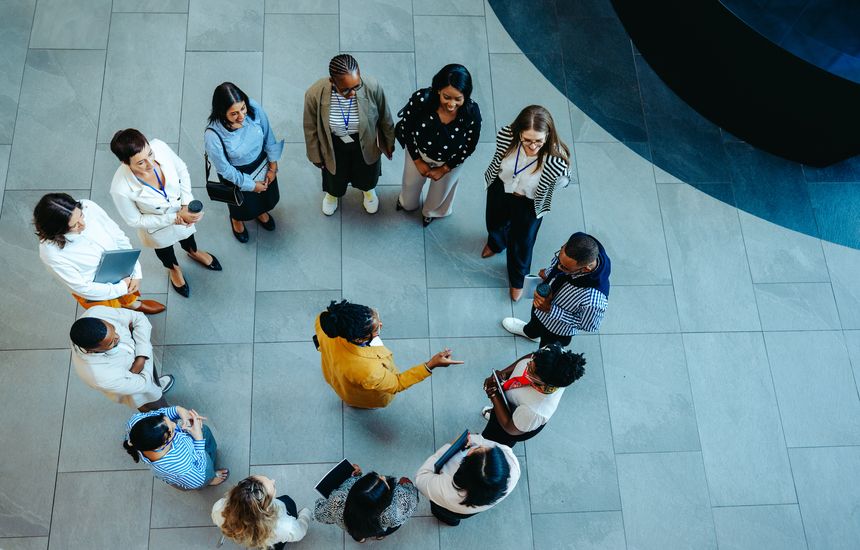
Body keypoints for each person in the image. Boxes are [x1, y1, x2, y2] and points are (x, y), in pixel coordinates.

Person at [109, 128, 221, 298]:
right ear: (126, 163)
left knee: (188, 237)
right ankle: (173, 269)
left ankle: (193, 252)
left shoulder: (160, 147)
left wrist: (185, 204)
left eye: (150, 154)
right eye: (140, 163)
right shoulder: (120, 188)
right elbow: (135, 220)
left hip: (182, 211)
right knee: (165, 251)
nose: (150, 164)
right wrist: (174, 218)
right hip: (157, 227)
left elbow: (182, 169)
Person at [482, 106, 572, 301]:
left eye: (539, 141)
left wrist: (538, 190)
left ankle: (517, 279)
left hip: (529, 202)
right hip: (501, 189)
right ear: (518, 133)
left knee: (522, 243)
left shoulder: (556, 160)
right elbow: (498, 159)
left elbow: (561, 183)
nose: (532, 146)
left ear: (548, 135)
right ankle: (496, 243)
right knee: (494, 221)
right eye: (527, 140)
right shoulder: (506, 135)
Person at [315, 300, 464, 408]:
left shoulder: (326, 321)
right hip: (358, 394)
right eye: (376, 329)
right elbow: (397, 383)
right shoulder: (369, 371)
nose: (381, 325)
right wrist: (431, 364)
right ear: (359, 338)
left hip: (334, 373)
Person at [35, 193, 165, 314]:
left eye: (81, 215)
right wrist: (121, 287)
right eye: (74, 225)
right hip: (94, 289)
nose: (83, 224)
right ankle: (122, 318)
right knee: (110, 313)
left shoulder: (88, 207)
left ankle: (132, 304)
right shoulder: (50, 253)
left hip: (119, 269)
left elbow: (118, 236)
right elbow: (82, 288)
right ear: (58, 230)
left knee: (128, 292)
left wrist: (136, 270)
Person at [303, 54, 395, 216]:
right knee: (335, 176)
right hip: (334, 144)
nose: (352, 93)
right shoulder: (314, 93)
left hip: (366, 141)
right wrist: (315, 155)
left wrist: (389, 143)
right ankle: (332, 195)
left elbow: (385, 117)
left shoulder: (372, 86)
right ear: (332, 81)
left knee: (367, 172)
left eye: (356, 87)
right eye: (346, 89)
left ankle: (368, 191)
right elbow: (310, 128)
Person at [394, 64, 482, 226]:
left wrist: (445, 168)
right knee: (410, 184)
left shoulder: (471, 112)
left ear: (466, 96)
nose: (451, 104)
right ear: (438, 90)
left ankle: (431, 212)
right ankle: (407, 203)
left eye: (458, 99)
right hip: (418, 152)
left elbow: (469, 145)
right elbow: (407, 129)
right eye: (446, 97)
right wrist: (417, 160)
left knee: (441, 192)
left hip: (450, 160)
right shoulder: (421, 100)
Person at [205, 82, 284, 243]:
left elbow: (268, 135)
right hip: (237, 174)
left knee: (265, 196)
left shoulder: (253, 108)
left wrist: (273, 167)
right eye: (234, 113)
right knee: (241, 205)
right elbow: (224, 169)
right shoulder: (213, 135)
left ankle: (261, 212)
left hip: (261, 163)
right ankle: (236, 219)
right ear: (222, 112)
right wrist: (251, 185)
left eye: (242, 109)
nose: (241, 116)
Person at [502, 232, 611, 348]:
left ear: (586, 269)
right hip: (540, 309)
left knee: (545, 350)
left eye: (564, 268)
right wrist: (549, 273)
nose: (558, 267)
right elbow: (559, 264)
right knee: (534, 323)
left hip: (557, 330)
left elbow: (589, 326)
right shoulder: (575, 244)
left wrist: (551, 309)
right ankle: (530, 333)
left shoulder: (594, 299)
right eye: (559, 259)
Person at [70, 305, 174, 411]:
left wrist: (141, 357)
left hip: (140, 362)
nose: (117, 336)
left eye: (113, 329)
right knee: (156, 407)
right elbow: (144, 385)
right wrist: (143, 353)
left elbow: (138, 317)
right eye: (111, 342)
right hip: (137, 391)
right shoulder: (100, 376)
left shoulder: (96, 312)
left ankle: (157, 384)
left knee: (153, 378)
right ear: (91, 351)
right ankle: (173, 421)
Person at [480, 344, 585, 447]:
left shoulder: (534, 411)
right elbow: (529, 357)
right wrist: (504, 373)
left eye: (531, 371)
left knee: (492, 441)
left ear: (546, 382)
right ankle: (497, 414)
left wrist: (493, 394)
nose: (528, 364)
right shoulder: (554, 356)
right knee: (497, 415)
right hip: (514, 406)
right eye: (533, 359)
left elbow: (509, 428)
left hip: (517, 424)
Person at [415, 433, 520, 526]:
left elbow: (421, 478)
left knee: (442, 512)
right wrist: (473, 439)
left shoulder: (446, 490)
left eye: (475, 449)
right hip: (477, 507)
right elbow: (484, 441)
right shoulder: (512, 464)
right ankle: (453, 521)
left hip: (451, 506)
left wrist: (450, 447)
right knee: (456, 517)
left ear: (465, 469)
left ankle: (445, 518)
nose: (480, 445)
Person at [124, 405, 229, 490]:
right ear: (162, 445)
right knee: (207, 470)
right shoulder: (178, 465)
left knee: (204, 430)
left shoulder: (136, 422)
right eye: (172, 432)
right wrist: (198, 438)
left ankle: (210, 455)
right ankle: (211, 479)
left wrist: (179, 411)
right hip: (199, 470)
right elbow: (198, 479)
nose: (176, 425)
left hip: (192, 445)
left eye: (169, 421)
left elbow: (158, 414)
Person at [314, 463, 418, 543]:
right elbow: (413, 497)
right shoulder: (399, 502)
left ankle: (361, 539)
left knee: (357, 534)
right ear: (385, 500)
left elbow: (319, 514)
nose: (382, 477)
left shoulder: (337, 499)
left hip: (354, 528)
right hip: (382, 527)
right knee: (384, 530)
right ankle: (380, 535)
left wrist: (356, 475)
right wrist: (406, 482)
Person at [212, 475, 312, 549]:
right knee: (288, 501)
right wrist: (306, 513)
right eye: (273, 487)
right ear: (266, 509)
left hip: (261, 540)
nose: (273, 480)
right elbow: (300, 532)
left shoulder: (219, 508)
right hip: (272, 542)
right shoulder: (286, 526)